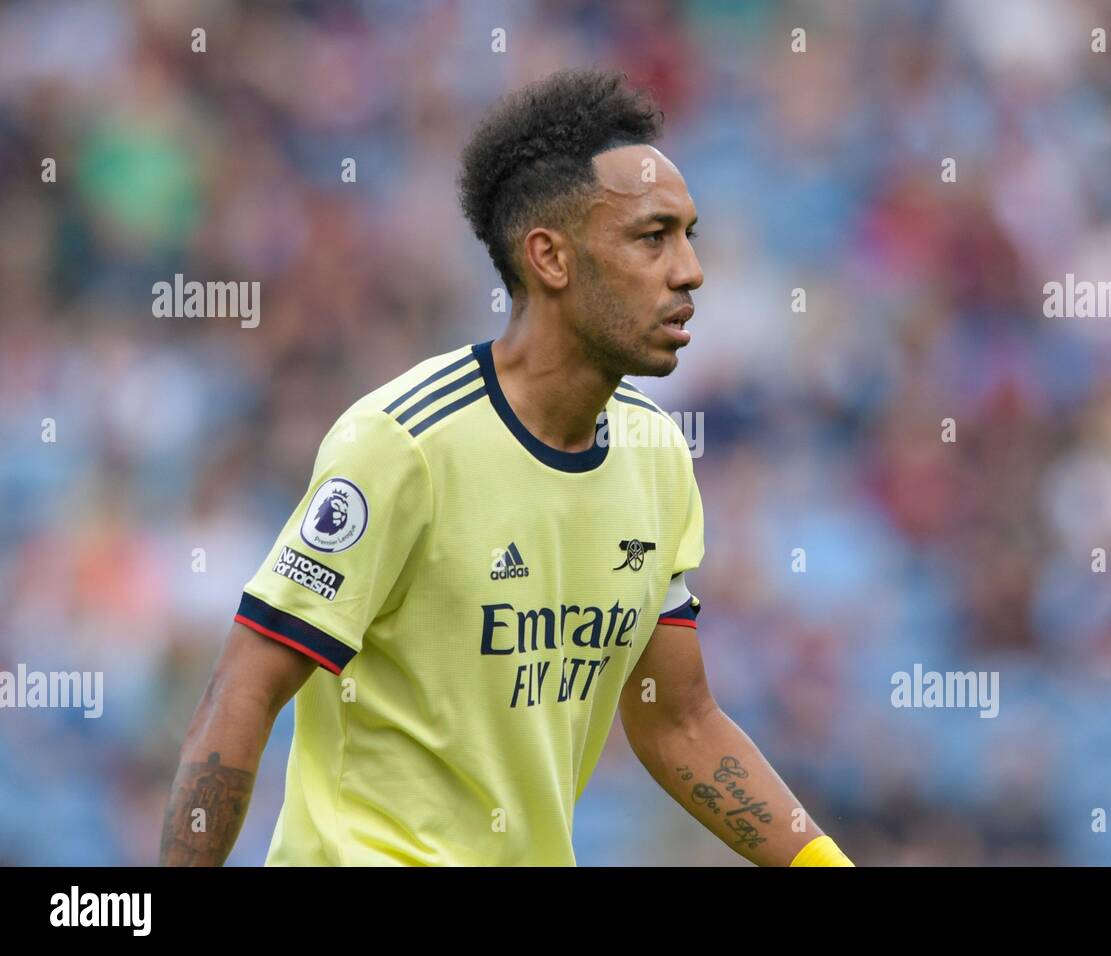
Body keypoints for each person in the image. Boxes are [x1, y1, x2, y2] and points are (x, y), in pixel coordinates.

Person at [159, 68, 852, 867]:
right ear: (550, 258)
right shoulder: (404, 444)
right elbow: (245, 686)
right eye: (652, 237)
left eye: (691, 235)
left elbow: (679, 722)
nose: (690, 270)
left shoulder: (657, 455)